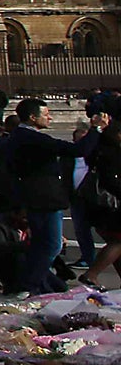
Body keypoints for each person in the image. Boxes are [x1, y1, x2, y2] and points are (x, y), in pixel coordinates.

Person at [0, 99, 109, 294]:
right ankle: (28, 286)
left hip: (37, 198)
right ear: (33, 117)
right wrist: (96, 130)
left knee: (42, 244)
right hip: (43, 199)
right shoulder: (30, 137)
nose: (50, 117)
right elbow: (76, 150)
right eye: (46, 114)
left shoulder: (21, 137)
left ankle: (36, 284)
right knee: (50, 245)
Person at [77, 121, 121, 289]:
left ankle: (93, 275)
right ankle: (92, 274)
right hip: (112, 207)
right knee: (117, 242)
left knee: (115, 244)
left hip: (99, 207)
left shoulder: (98, 152)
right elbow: (111, 181)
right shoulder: (112, 155)